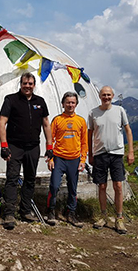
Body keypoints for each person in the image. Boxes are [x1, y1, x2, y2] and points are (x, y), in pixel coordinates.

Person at [0, 72, 52, 230]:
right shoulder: (11, 100)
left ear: (34, 85)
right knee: (12, 178)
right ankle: (9, 214)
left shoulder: (40, 102)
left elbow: (46, 124)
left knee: (30, 179)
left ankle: (26, 211)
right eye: (24, 83)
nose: (27, 86)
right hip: (14, 146)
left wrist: (50, 147)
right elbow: (2, 122)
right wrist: (4, 145)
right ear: (20, 84)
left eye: (30, 83)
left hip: (33, 146)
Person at [88, 86, 134, 234]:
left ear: (112, 96)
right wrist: (90, 153)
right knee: (101, 186)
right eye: (103, 95)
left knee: (118, 186)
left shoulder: (119, 111)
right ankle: (103, 216)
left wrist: (130, 151)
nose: (106, 97)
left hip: (116, 153)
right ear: (99, 96)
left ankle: (119, 218)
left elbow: (128, 130)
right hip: (100, 153)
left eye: (108, 95)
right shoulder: (93, 113)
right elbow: (90, 134)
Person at [45, 92, 88, 228]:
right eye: (68, 102)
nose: (70, 105)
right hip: (59, 158)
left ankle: (71, 213)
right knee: (54, 186)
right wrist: (50, 158)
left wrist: (83, 160)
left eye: (73, 102)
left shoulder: (81, 121)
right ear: (63, 104)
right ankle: (51, 211)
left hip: (74, 159)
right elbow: (50, 140)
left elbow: (84, 142)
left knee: (72, 188)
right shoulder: (57, 120)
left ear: (76, 104)